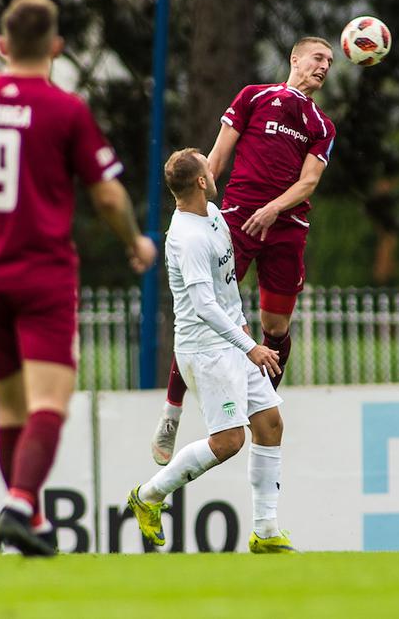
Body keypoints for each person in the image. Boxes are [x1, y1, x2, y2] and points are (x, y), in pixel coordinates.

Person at [0, 0, 156, 556]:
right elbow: (106, 194)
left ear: (2, 46)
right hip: (44, 274)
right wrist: (135, 240)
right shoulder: (65, 109)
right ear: (56, 46)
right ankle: (21, 503)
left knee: (9, 410)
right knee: (50, 403)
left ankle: (36, 522)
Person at [151, 36, 337, 465]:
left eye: (330, 61)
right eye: (318, 57)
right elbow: (214, 159)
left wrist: (273, 210)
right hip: (236, 217)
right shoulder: (254, 97)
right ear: (295, 58)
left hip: (287, 226)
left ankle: (263, 403)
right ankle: (172, 411)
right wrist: (188, 214)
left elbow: (309, 182)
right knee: (204, 307)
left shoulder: (322, 124)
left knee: (276, 324)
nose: (325, 65)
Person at [127, 147, 294, 554]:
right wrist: (251, 346)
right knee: (229, 442)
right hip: (206, 350)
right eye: (208, 164)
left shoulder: (213, 215)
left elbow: (225, 289)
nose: (215, 167)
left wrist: (242, 331)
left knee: (270, 423)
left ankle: (266, 529)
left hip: (231, 340)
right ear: (201, 181)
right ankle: (148, 496)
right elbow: (204, 308)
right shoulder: (188, 238)